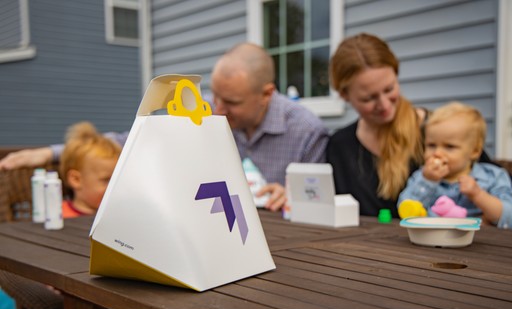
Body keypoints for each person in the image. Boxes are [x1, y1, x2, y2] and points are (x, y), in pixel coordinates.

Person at [0, 43, 328, 212]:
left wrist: (291, 196)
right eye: (216, 97)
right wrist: (50, 152)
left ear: (266, 94)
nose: (218, 109)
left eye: (232, 102)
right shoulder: (206, 113)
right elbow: (134, 138)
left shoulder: (306, 130)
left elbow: (317, 201)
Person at [326, 33, 494, 217]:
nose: (384, 105)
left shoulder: (440, 132)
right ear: (344, 95)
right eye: (369, 98)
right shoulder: (339, 147)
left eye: (389, 89)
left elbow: (498, 192)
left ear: (396, 74)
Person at [398, 102, 512, 228]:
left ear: (474, 151)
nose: (437, 153)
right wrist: (427, 182)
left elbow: (509, 216)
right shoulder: (422, 176)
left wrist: (478, 195)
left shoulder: (493, 177)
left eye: (449, 146)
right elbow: (404, 209)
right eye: (431, 145)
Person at [59, 121, 121, 217]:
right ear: (76, 179)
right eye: (106, 180)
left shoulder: (117, 215)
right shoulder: (57, 216)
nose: (114, 188)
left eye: (117, 181)